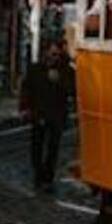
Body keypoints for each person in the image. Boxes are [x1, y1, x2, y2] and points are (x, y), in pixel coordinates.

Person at [19, 40, 74, 191]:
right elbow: (26, 89)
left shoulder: (66, 71)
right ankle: (38, 174)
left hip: (57, 115)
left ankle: (48, 178)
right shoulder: (35, 69)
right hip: (39, 113)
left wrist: (60, 81)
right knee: (36, 146)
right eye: (51, 53)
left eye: (56, 54)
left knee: (53, 148)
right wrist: (24, 108)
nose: (53, 57)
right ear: (45, 53)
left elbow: (72, 90)